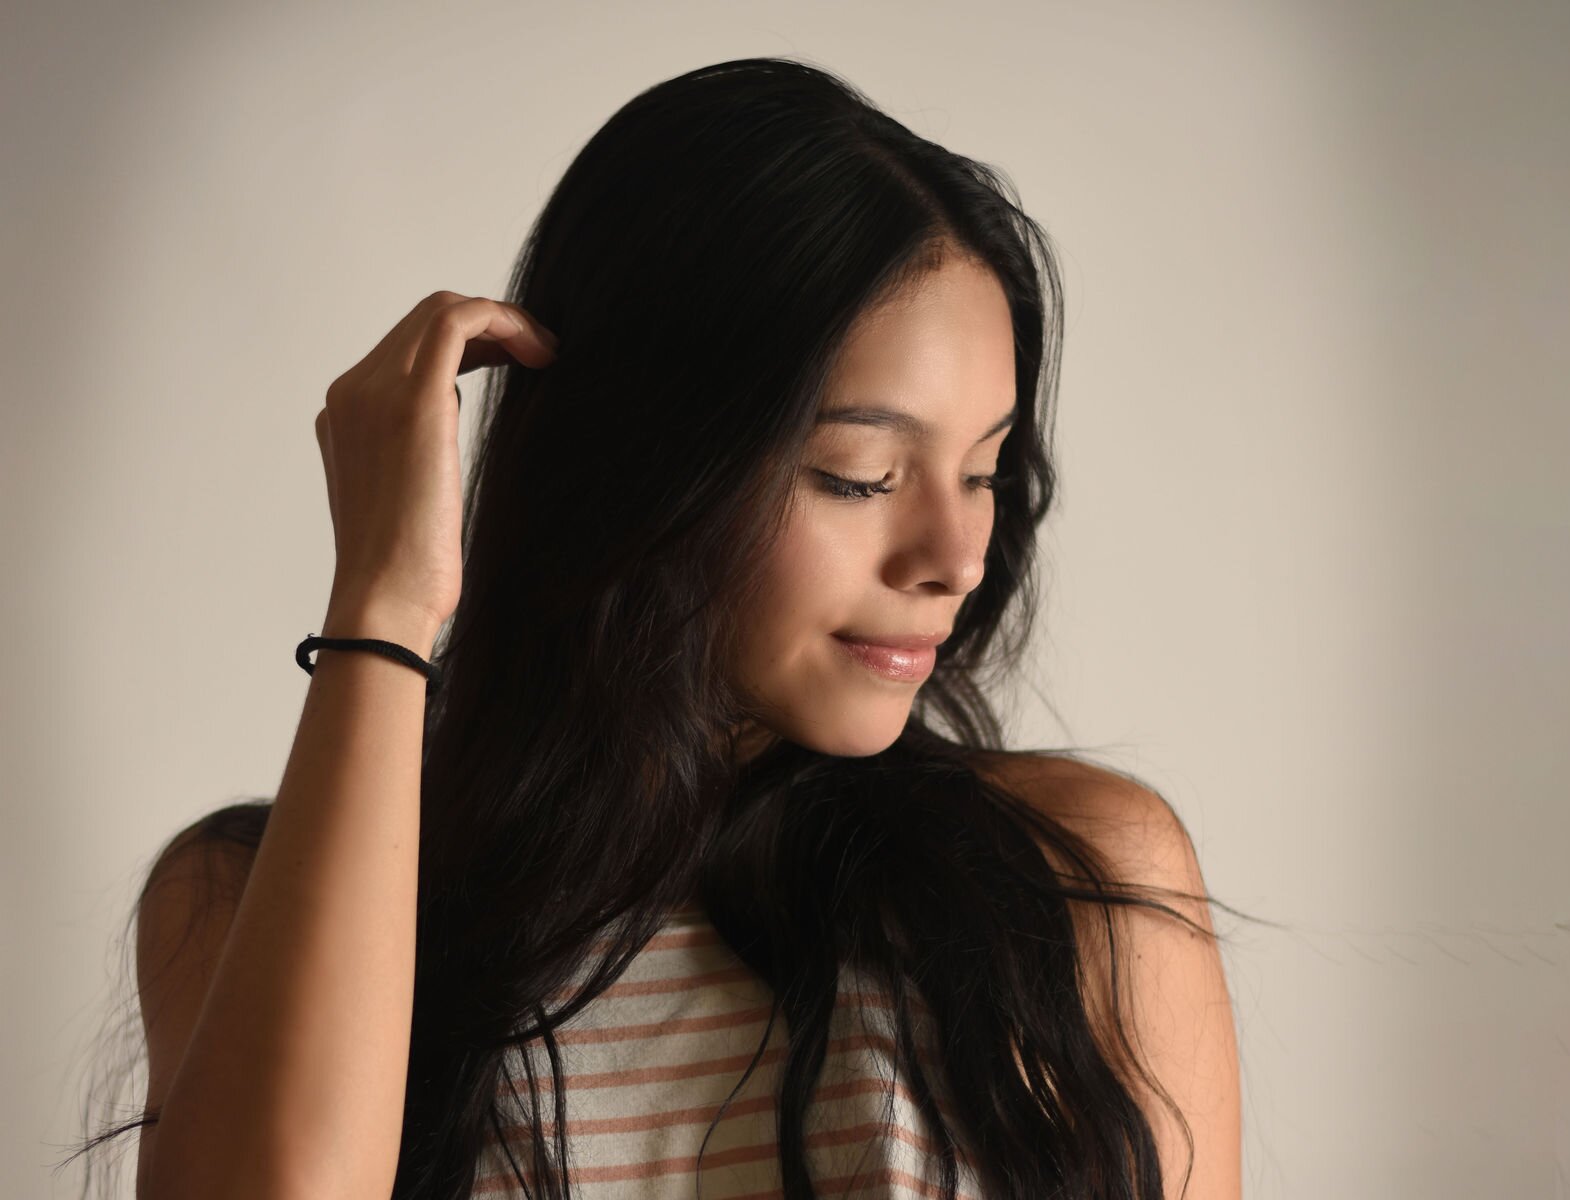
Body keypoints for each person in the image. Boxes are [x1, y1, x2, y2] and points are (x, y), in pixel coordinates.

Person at [75, 56, 1241, 1200]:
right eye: (861, 474)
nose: (956, 558)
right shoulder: (241, 900)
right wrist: (381, 598)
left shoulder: (1074, 884)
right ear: (647, 463)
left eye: (983, 471)